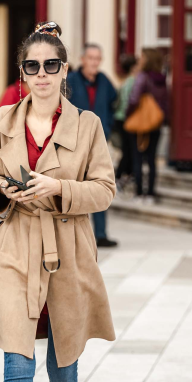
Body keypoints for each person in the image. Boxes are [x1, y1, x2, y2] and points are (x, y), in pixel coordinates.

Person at [0, 21, 117, 382]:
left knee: (63, 362)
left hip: (68, 250)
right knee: (17, 361)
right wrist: (3, 190)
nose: (41, 74)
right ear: (22, 72)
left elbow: (105, 190)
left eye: (51, 65)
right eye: (32, 66)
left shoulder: (88, 125)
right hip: (15, 249)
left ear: (64, 71)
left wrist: (59, 188)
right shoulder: (3, 120)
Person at [66, 43, 119, 248]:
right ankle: (72, 235)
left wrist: (108, 125)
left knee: (99, 185)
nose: (94, 63)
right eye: (91, 58)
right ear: (83, 59)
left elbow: (114, 104)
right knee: (74, 187)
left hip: (99, 143)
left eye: (98, 59)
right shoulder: (70, 80)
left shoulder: (104, 81)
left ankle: (101, 234)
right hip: (74, 143)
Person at [127, 48, 169, 200]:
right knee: (152, 159)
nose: (139, 60)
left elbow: (134, 99)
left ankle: (139, 192)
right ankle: (150, 193)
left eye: (142, 57)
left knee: (137, 158)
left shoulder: (142, 77)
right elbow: (166, 102)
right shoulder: (162, 79)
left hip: (141, 122)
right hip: (156, 122)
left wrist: (128, 114)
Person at [113, 54, 140, 187]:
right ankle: (119, 176)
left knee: (127, 149)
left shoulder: (126, 81)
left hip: (120, 118)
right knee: (128, 149)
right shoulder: (132, 82)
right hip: (125, 118)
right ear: (133, 67)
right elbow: (128, 103)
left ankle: (124, 174)